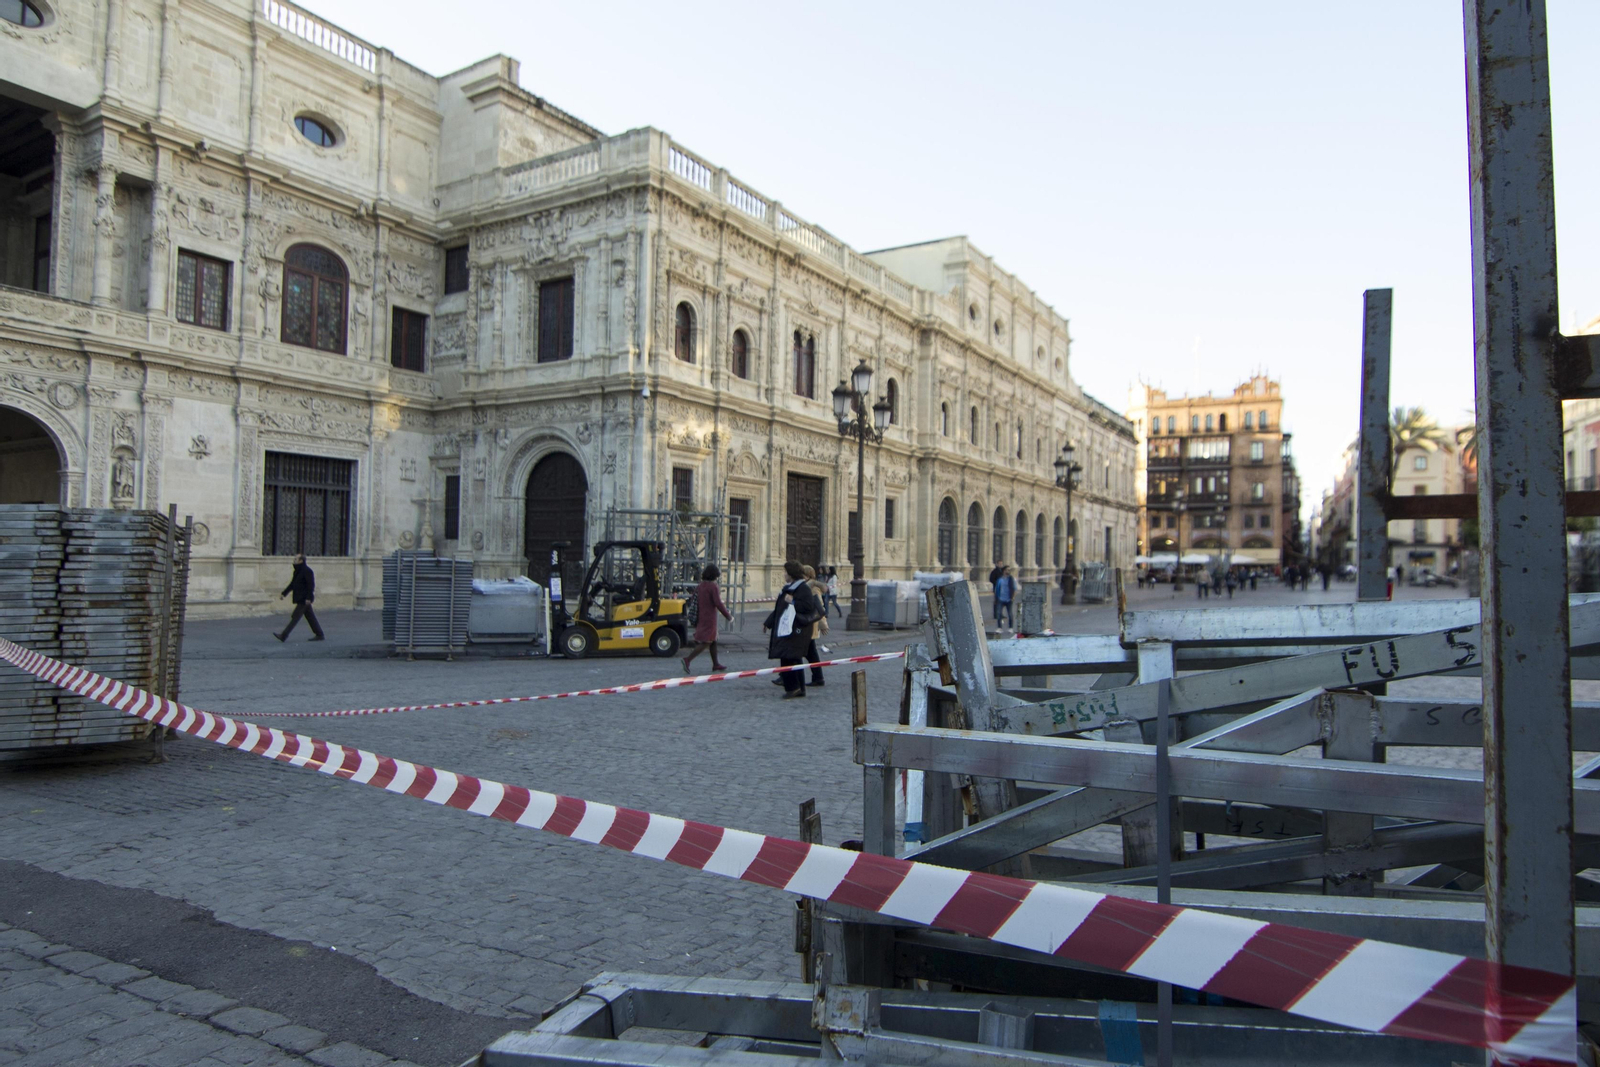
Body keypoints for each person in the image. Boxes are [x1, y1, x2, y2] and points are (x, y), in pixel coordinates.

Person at [764, 561, 822, 699]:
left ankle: (794, 688)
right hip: (787, 628)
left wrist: (793, 602)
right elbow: (779, 609)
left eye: (785, 572)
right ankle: (798, 688)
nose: (784, 574)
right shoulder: (789, 588)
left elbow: (807, 607)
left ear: (791, 574)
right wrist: (768, 622)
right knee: (792, 658)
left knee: (789, 658)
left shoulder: (803, 589)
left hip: (796, 630)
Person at [681, 564, 733, 675]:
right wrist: (728, 616)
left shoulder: (701, 585)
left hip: (701, 615)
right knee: (706, 641)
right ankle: (688, 659)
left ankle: (716, 664)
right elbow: (718, 603)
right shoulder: (713, 586)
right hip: (710, 617)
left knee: (713, 640)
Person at [274, 554, 324, 642]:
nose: (294, 560)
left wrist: (309, 597)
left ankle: (284, 635)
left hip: (304, 599)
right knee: (310, 617)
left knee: (295, 617)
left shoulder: (307, 571)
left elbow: (311, 586)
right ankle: (319, 634)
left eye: (296, 559)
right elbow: (292, 584)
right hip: (301, 598)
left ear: (301, 560)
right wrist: (284, 593)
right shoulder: (297, 571)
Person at [804, 565, 830, 686]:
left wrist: (823, 624)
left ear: (808, 576)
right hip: (808, 625)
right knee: (810, 653)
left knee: (811, 654)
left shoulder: (813, 589)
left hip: (811, 625)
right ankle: (818, 677)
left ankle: (818, 677)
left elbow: (819, 608)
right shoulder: (806, 587)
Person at [993, 565, 1016, 630]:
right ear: (1003, 571)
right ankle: (999, 627)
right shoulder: (1000, 579)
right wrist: (996, 598)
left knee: (1010, 614)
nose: (1008, 571)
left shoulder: (1011, 579)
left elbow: (1014, 589)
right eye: (1007, 570)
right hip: (1001, 598)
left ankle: (1010, 627)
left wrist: (1013, 597)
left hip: (1009, 599)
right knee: (999, 613)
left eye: (1009, 570)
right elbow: (997, 589)